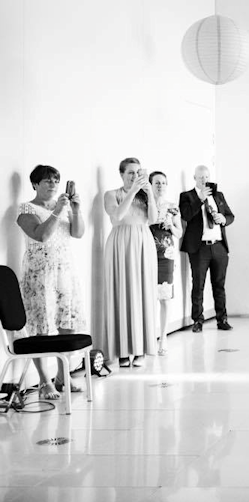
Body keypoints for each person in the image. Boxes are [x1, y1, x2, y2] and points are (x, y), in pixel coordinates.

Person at [15, 165, 86, 397]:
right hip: (39, 274)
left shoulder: (63, 207)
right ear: (35, 184)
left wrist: (75, 209)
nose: (53, 185)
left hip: (65, 271)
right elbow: (42, 235)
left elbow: (78, 233)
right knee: (41, 328)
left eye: (56, 180)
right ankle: (45, 381)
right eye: (47, 181)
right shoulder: (26, 209)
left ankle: (63, 375)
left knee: (67, 323)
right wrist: (57, 211)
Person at [103, 157, 158, 367]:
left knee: (142, 293)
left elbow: (152, 219)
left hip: (143, 242)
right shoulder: (111, 194)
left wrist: (149, 193)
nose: (135, 176)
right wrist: (133, 191)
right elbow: (116, 217)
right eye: (130, 173)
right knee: (121, 293)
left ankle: (141, 349)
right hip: (120, 243)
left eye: (138, 172)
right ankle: (123, 351)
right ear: (122, 174)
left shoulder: (145, 195)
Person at [179, 165, 235, 333]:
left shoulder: (218, 195)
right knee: (198, 285)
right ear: (194, 178)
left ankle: (222, 319)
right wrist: (199, 198)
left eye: (206, 177)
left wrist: (223, 218)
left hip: (218, 245)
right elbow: (186, 215)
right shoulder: (187, 196)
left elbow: (231, 216)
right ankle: (197, 320)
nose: (204, 180)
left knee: (219, 285)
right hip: (199, 248)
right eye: (201, 177)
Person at [149, 171, 182, 355]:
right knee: (149, 297)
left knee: (165, 298)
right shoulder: (145, 205)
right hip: (148, 252)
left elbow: (179, 233)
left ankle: (163, 337)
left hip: (166, 254)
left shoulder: (172, 206)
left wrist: (170, 226)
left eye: (163, 182)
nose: (160, 186)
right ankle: (149, 338)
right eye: (157, 183)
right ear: (151, 185)